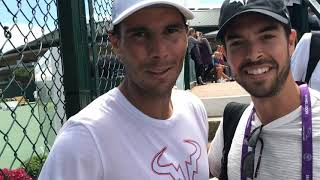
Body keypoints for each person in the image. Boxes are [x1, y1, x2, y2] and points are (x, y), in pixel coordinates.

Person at [38, 0, 209, 179]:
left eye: (171, 31)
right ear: (116, 44)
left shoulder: (194, 108)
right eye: (140, 34)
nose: (159, 51)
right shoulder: (84, 139)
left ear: (186, 36)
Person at [208, 0, 320, 179]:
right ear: (225, 55)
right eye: (237, 42)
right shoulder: (232, 123)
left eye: (267, 37)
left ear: (291, 42)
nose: (253, 54)